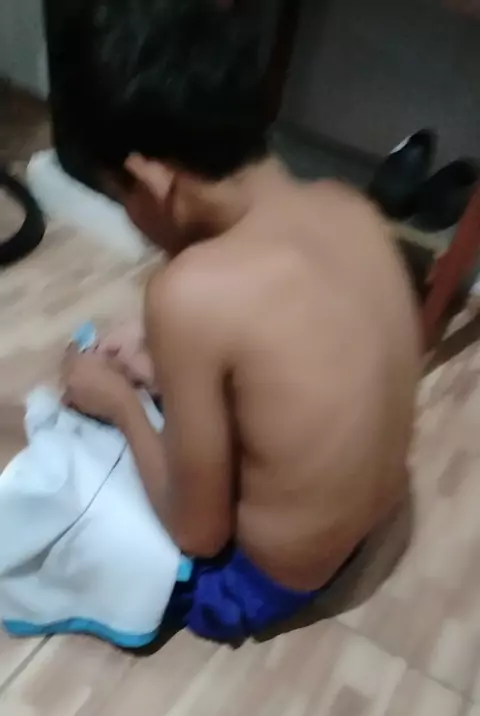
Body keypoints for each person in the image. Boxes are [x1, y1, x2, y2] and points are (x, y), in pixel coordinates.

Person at [61, 0, 421, 643]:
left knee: (47, 463)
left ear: (150, 178)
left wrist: (119, 403)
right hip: (365, 525)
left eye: (121, 199)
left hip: (262, 583)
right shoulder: (349, 206)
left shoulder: (188, 294)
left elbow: (198, 534)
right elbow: (295, 349)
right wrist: (167, 360)